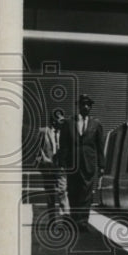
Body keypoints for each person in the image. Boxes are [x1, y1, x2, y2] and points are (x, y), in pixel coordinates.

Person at [59, 94, 104, 231]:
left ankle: (83, 222)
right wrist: (62, 161)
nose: (85, 107)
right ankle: (74, 220)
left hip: (88, 165)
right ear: (78, 105)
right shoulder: (69, 123)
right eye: (83, 104)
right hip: (72, 164)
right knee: (73, 192)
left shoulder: (96, 124)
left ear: (90, 107)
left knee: (86, 193)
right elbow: (64, 144)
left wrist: (101, 166)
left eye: (88, 104)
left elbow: (99, 146)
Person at [35, 108, 69, 218]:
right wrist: (42, 160)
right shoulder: (43, 131)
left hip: (61, 167)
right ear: (54, 121)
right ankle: (52, 218)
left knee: (63, 191)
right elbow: (36, 150)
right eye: (61, 121)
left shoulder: (65, 132)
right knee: (50, 194)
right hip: (48, 167)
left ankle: (66, 216)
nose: (63, 123)